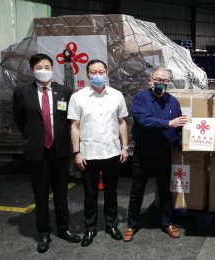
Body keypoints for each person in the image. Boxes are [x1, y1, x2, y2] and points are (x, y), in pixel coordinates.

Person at [13, 53, 81, 253]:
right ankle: (43, 233)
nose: (43, 70)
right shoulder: (22, 93)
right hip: (36, 152)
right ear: (32, 70)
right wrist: (31, 136)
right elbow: (18, 119)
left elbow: (70, 120)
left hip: (59, 151)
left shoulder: (65, 91)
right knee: (41, 195)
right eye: (39, 67)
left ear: (52, 68)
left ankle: (63, 228)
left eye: (47, 66)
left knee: (61, 193)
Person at [67, 59, 129, 247]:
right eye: (93, 72)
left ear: (107, 73)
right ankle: (90, 228)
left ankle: (111, 225)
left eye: (101, 72)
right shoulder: (78, 97)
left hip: (111, 151)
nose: (97, 75)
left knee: (111, 191)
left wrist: (125, 147)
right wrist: (76, 152)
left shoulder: (117, 95)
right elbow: (74, 126)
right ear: (87, 75)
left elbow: (122, 122)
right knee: (90, 192)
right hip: (88, 153)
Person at [123, 66, 187, 242]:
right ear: (150, 80)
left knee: (165, 190)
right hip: (143, 153)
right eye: (157, 80)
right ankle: (131, 225)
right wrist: (169, 122)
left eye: (165, 81)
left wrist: (183, 144)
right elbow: (144, 120)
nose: (161, 83)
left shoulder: (173, 102)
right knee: (137, 189)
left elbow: (179, 127)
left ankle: (167, 223)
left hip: (164, 153)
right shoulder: (140, 99)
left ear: (169, 83)